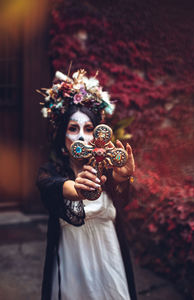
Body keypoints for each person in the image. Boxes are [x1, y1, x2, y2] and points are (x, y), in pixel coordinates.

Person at [37, 69, 138, 300]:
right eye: (73, 128)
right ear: (62, 136)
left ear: (98, 135)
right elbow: (53, 187)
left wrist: (123, 180)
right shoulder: (49, 172)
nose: (82, 137)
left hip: (110, 264)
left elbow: (124, 199)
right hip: (74, 269)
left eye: (89, 129)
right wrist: (77, 190)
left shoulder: (108, 170)